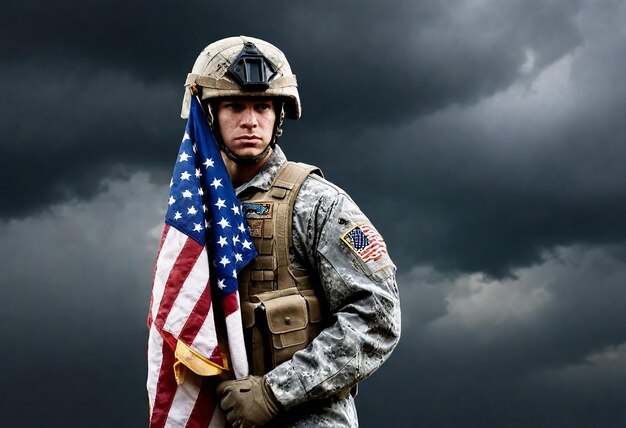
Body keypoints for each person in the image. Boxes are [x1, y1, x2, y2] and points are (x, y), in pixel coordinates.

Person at [180, 35, 401, 427]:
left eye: (263, 106)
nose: (250, 121)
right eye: (234, 106)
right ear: (208, 114)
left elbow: (378, 315)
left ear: (279, 114)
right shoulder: (193, 216)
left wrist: (275, 392)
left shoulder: (317, 202)